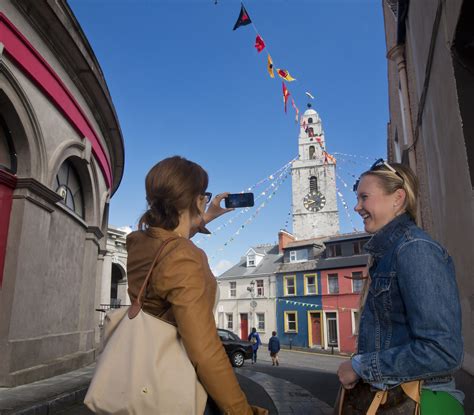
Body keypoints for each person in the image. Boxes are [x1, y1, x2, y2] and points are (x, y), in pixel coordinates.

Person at [126, 156, 268, 415]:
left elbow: (168, 239)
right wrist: (242, 411)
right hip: (178, 390)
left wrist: (206, 215)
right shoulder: (183, 256)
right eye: (204, 195)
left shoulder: (140, 244)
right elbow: (204, 352)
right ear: (195, 199)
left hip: (145, 376)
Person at [336, 159, 464, 414]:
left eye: (364, 197)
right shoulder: (388, 255)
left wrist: (360, 366)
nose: (357, 206)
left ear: (397, 198)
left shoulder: (414, 249)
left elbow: (442, 351)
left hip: (424, 401)